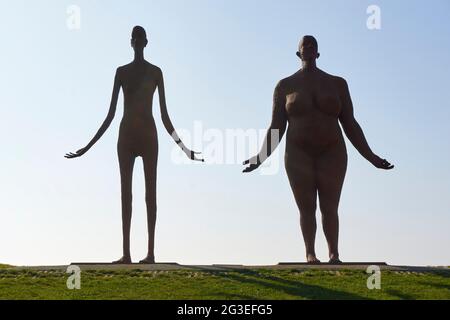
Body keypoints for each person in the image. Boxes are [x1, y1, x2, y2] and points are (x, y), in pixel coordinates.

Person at [243, 35, 394, 264]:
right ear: (299, 53)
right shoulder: (284, 86)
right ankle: (310, 253)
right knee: (306, 207)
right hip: (298, 153)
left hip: (332, 151)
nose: (310, 47)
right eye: (305, 45)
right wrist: (260, 157)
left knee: (330, 206)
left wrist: (371, 157)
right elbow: (276, 126)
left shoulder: (337, 84)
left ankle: (334, 253)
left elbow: (350, 123)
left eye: (314, 45)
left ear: (318, 53)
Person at [65, 26, 203, 264]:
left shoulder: (156, 73)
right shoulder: (121, 72)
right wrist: (87, 147)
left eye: (141, 37)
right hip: (126, 137)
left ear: (146, 42)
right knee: (125, 194)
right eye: (134, 37)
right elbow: (110, 115)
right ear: (131, 42)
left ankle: (150, 252)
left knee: (151, 194)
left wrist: (184, 148)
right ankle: (126, 253)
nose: (138, 40)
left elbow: (165, 117)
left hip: (149, 137)